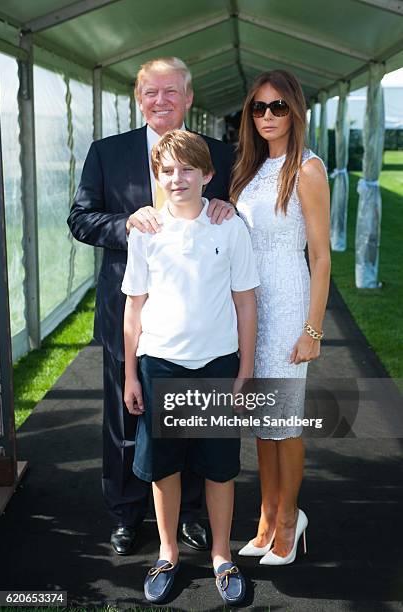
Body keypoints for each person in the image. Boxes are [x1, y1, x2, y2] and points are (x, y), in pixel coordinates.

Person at [67, 57, 235, 555]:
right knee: (126, 420)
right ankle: (125, 513)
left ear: (188, 98)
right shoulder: (107, 153)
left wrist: (229, 206)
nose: (160, 101)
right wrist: (127, 225)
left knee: (194, 420)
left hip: (202, 322)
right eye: (150, 93)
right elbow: (80, 219)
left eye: (170, 92)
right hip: (130, 314)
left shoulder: (221, 155)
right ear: (138, 99)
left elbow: (237, 216)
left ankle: (190, 515)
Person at [122, 130, 259, 604]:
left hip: (218, 365)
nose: (176, 179)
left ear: (208, 175)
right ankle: (168, 553)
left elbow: (245, 303)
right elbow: (134, 308)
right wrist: (130, 374)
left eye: (186, 170)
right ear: (157, 178)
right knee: (165, 470)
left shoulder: (229, 226)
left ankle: (223, 555)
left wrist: (244, 371)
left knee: (220, 469)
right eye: (166, 171)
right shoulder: (145, 232)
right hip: (160, 365)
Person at [231, 70, 330, 565]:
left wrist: (313, 330)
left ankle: (291, 519)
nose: (267, 116)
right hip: (252, 306)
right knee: (261, 421)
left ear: (295, 111)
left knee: (285, 422)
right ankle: (266, 517)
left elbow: (322, 257)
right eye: (258, 107)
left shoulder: (307, 168)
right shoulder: (248, 169)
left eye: (278, 107)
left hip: (289, 303)